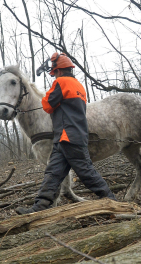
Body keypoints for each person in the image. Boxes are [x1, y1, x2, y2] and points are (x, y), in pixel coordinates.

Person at [16, 52, 115, 215]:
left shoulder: (60, 83)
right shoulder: (79, 86)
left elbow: (47, 106)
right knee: (53, 173)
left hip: (68, 137)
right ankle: (39, 207)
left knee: (87, 173)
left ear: (59, 71)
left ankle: (112, 200)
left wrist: (49, 92)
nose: (54, 76)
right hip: (68, 137)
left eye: (54, 73)